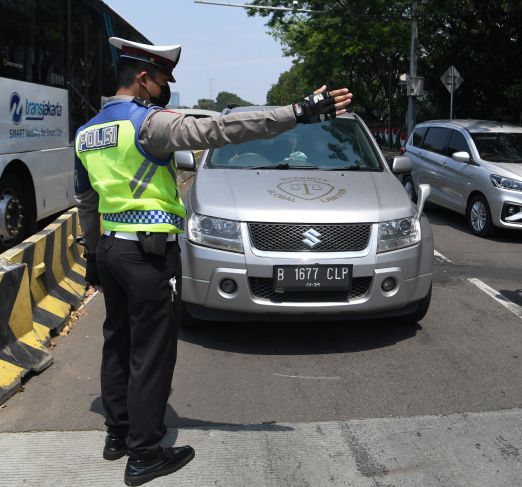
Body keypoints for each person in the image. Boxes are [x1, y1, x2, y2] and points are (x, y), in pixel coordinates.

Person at [74, 37, 352, 486]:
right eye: (162, 78)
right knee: (152, 353)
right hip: (147, 255)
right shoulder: (151, 125)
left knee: (117, 342)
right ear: (143, 79)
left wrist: (91, 252)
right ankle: (144, 454)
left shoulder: (88, 132)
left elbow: (85, 201)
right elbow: (224, 129)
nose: (165, 87)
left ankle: (117, 433)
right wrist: (298, 113)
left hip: (110, 250)